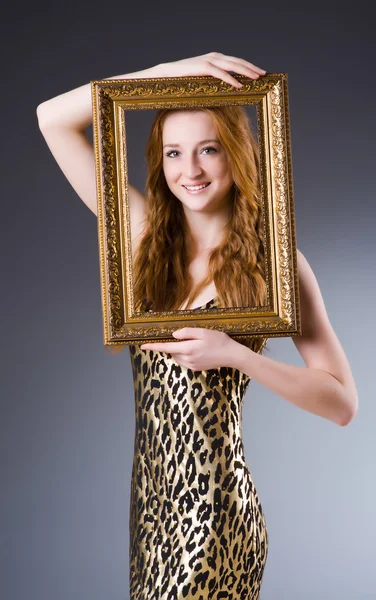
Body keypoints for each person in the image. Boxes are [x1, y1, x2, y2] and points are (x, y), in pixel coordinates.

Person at [37, 52, 358, 600]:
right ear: (159, 163)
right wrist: (166, 73)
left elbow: (342, 402)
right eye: (174, 153)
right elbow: (52, 118)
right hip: (150, 504)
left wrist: (237, 354)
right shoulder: (140, 240)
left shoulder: (274, 264)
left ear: (236, 155)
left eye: (208, 149)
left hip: (214, 509)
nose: (191, 170)